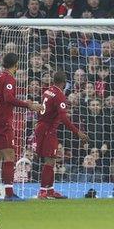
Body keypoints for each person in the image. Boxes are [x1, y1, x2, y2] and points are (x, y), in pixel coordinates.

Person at [0, 53, 41, 201]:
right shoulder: (9, 78)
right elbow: (8, 98)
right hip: (2, 122)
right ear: (16, 65)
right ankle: (9, 194)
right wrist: (28, 105)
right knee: (9, 155)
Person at [35, 71, 89, 199]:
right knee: (50, 160)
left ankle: (50, 190)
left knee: (52, 159)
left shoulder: (48, 91)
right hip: (48, 129)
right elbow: (64, 119)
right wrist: (78, 132)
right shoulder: (59, 96)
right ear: (64, 83)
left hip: (43, 127)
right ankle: (42, 191)